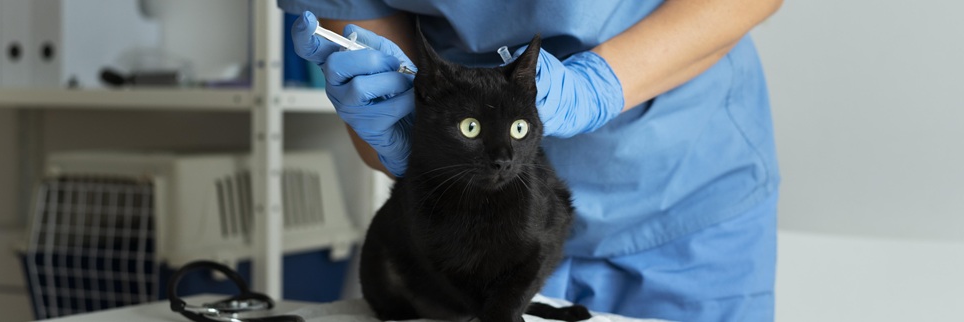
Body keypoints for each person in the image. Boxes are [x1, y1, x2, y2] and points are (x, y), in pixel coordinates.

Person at [278, 0, 783, 321]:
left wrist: (601, 85)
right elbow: (364, 53)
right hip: (461, 220)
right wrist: (403, 122)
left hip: (684, 190)